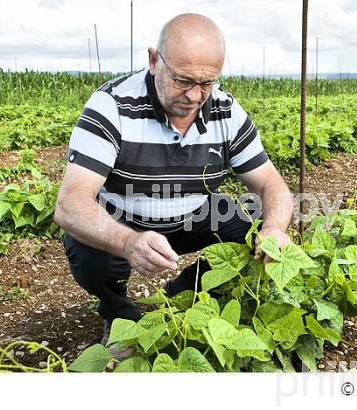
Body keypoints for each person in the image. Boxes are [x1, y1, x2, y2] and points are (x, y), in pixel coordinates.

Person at [54, 13, 293, 346]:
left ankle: (183, 292)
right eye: (183, 81)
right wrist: (127, 242)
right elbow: (70, 203)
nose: (195, 96)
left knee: (256, 225)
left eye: (206, 84)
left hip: (192, 215)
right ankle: (119, 313)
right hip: (125, 219)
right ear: (154, 61)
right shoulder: (111, 106)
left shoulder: (226, 110)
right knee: (87, 249)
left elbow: (272, 184)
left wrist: (275, 229)